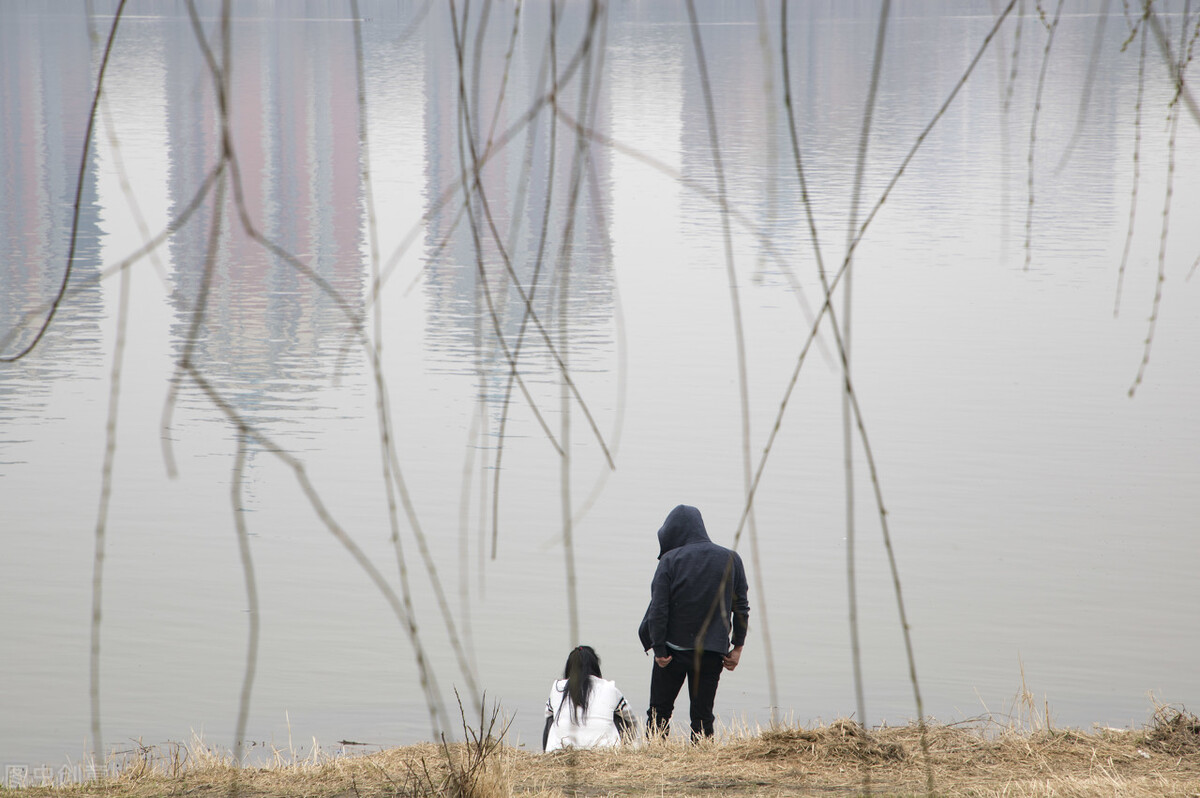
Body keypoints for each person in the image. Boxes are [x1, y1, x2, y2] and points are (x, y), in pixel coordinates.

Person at [638, 504, 749, 741]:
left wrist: (659, 649)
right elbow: (740, 608)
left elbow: (659, 609)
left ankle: (655, 755)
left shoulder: (669, 560)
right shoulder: (731, 559)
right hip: (712, 653)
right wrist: (737, 647)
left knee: (659, 714)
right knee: (702, 717)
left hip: (672, 653)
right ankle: (703, 758)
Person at [543, 645, 636, 752]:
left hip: (561, 750)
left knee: (551, 717)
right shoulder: (609, 688)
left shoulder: (557, 687)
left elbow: (548, 716)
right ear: (595, 666)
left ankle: (547, 752)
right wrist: (634, 741)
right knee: (619, 715)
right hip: (604, 751)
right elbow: (630, 718)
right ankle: (623, 751)